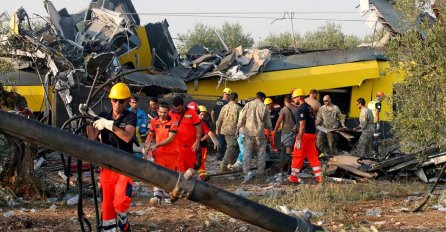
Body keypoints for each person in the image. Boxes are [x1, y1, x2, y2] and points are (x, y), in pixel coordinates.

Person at [87, 83, 135, 232]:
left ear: (127, 101)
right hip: (106, 166)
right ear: (110, 100)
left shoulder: (130, 116)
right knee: (107, 206)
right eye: (114, 100)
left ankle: (123, 222)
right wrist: (89, 120)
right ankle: (109, 229)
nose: (117, 104)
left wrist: (110, 125)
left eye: (121, 101)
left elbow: (127, 137)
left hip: (124, 166)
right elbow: (92, 139)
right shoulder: (103, 116)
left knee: (120, 200)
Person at [143, 102, 178, 206]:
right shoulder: (154, 121)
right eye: (161, 112)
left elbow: (171, 138)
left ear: (168, 111)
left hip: (172, 154)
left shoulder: (174, 122)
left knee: (169, 176)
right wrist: (146, 146)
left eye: (165, 112)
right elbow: (150, 134)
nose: (163, 114)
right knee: (158, 175)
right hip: (159, 153)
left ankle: (167, 198)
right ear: (157, 111)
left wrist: (157, 145)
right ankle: (157, 197)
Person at [288, 88, 323, 184]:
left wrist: (299, 137)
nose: (293, 100)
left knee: (297, 156)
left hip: (305, 136)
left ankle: (293, 177)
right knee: (313, 156)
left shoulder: (301, 108)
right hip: (312, 135)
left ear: (299, 97)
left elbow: (302, 125)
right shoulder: (309, 107)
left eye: (294, 98)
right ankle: (319, 177)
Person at [237, 92, 272, 183]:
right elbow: (268, 124)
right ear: (263, 98)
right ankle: (260, 171)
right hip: (259, 133)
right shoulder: (264, 107)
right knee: (261, 152)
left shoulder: (248, 105)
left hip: (248, 133)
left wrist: (238, 127)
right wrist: (269, 128)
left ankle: (246, 171)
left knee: (247, 152)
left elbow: (241, 117)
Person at [187, 102, 219, 181]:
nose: (202, 116)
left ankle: (201, 176)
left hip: (201, 145)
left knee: (200, 161)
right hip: (189, 145)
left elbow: (209, 133)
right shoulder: (186, 119)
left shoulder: (201, 122)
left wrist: (199, 140)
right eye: (200, 114)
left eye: (204, 115)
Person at [169, 96, 202, 173]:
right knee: (177, 167)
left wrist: (197, 142)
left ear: (183, 106)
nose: (177, 111)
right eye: (175, 109)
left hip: (190, 146)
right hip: (175, 146)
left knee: (189, 168)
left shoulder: (191, 112)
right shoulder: (170, 113)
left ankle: (188, 183)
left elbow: (198, 128)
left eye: (179, 109)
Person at [216, 92, 242, 172]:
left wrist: (217, 129)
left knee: (233, 147)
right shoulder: (238, 108)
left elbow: (219, 119)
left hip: (224, 130)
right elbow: (241, 121)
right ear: (236, 99)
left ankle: (232, 163)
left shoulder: (224, 107)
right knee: (231, 147)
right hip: (233, 130)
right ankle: (224, 165)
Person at [274, 95, 298, 172]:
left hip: (286, 132)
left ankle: (288, 169)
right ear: (291, 101)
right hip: (295, 132)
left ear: (285, 101)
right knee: (293, 150)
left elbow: (279, 121)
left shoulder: (283, 110)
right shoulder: (296, 109)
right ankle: (292, 167)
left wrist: (275, 129)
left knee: (287, 150)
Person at [211, 87, 231, 160]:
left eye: (228, 94)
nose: (227, 96)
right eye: (226, 94)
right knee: (223, 140)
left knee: (220, 139)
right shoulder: (228, 104)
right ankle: (220, 156)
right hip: (224, 125)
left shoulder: (217, 102)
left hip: (218, 125)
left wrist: (214, 122)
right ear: (223, 94)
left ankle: (219, 155)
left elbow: (212, 113)